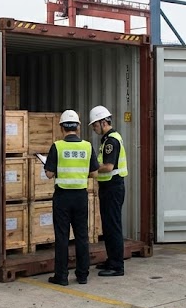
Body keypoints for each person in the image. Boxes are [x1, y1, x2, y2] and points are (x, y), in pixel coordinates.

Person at [43, 110, 99, 286]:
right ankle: (82, 275)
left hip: (62, 197)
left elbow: (49, 174)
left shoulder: (57, 147)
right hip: (81, 196)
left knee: (62, 237)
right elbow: (94, 173)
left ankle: (61, 276)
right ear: (78, 127)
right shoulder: (87, 146)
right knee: (82, 236)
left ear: (61, 127)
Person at [89, 105, 127, 277]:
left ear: (103, 122)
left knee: (113, 227)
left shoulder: (111, 141)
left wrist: (91, 171)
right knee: (109, 226)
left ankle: (117, 265)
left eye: (95, 125)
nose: (94, 129)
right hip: (109, 188)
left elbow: (108, 166)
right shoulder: (108, 139)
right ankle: (112, 259)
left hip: (112, 188)